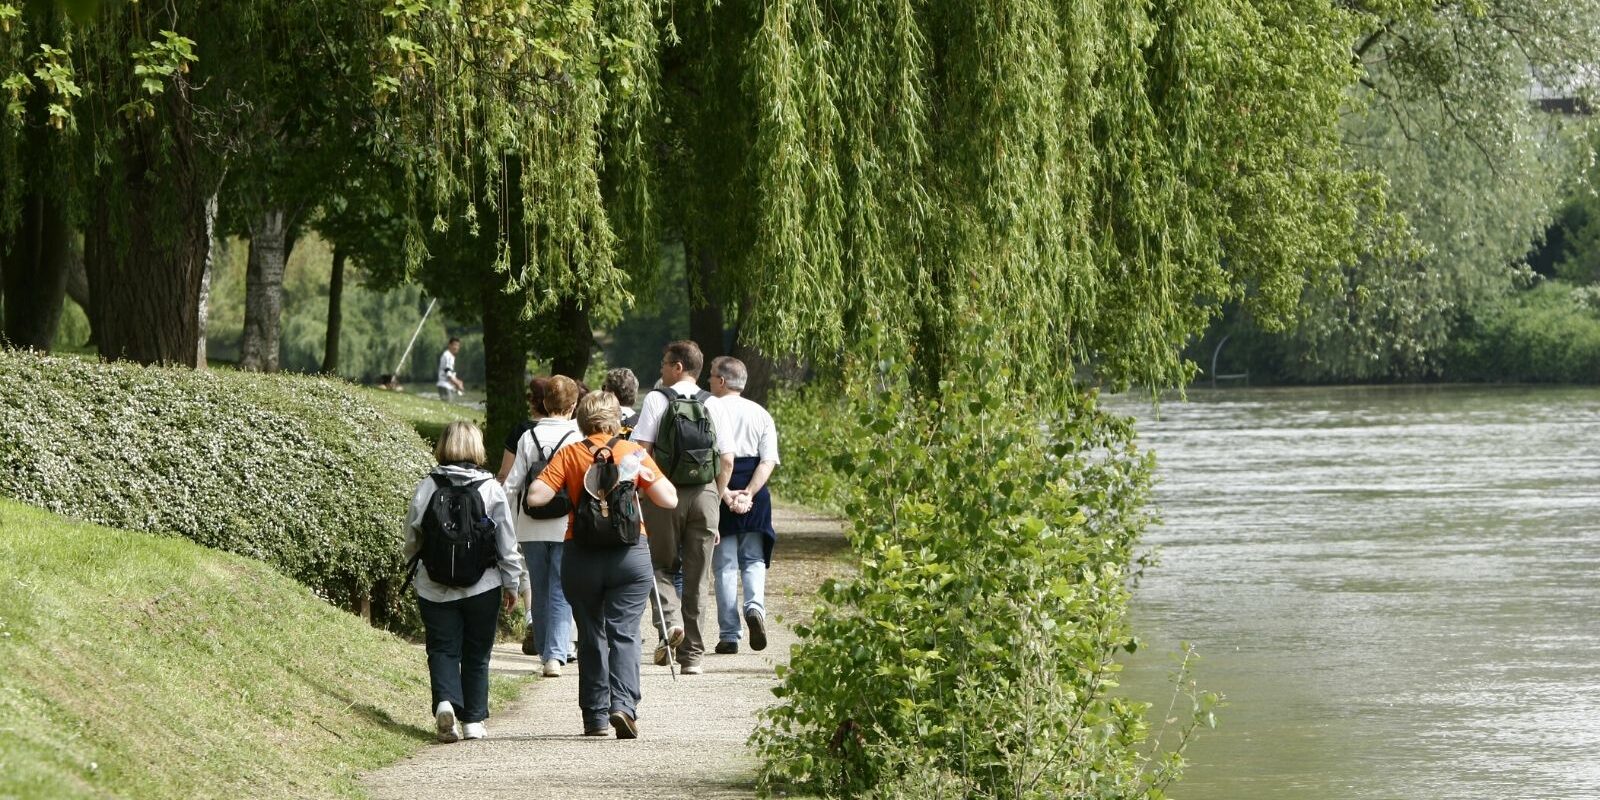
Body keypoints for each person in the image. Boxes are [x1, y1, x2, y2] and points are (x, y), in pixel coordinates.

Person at [524, 391, 678, 738]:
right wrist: (637, 481)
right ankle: (623, 706)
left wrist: (571, 492)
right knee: (624, 632)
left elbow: (536, 496)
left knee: (591, 633)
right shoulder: (633, 453)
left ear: (581, 420)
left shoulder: (570, 453)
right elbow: (669, 499)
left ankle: (594, 717)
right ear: (616, 421)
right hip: (629, 556)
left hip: (581, 554)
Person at [404, 421, 523, 743]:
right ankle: (473, 721)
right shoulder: (490, 488)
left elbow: (413, 535)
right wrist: (512, 582)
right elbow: (506, 541)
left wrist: (414, 566)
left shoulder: (428, 485)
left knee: (442, 648)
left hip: (434, 585)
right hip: (482, 584)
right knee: (477, 652)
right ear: (476, 447)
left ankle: (445, 702)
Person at [629, 340, 734, 675]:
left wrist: (642, 491)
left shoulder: (657, 399)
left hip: (665, 494)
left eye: (664, 363)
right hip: (705, 495)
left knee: (658, 565)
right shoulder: (714, 403)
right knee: (698, 577)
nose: (661, 369)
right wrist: (715, 498)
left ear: (678, 367)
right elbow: (727, 461)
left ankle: (670, 621)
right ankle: (693, 658)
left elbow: (640, 451)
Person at [503, 376, 582, 676]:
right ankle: (556, 655)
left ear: (545, 403)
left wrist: (506, 522)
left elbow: (512, 485)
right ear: (573, 405)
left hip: (530, 525)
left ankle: (545, 650)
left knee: (539, 588)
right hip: (565, 525)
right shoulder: (576, 437)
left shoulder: (528, 437)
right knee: (561, 589)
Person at [706, 356, 779, 654]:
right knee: (753, 559)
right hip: (754, 491)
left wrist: (725, 494)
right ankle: (755, 607)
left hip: (719, 484)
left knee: (724, 565)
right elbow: (768, 461)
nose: (708, 380)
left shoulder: (709, 409)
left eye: (711, 376)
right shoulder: (761, 414)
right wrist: (748, 494)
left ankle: (729, 634)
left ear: (722, 381)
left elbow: (712, 458)